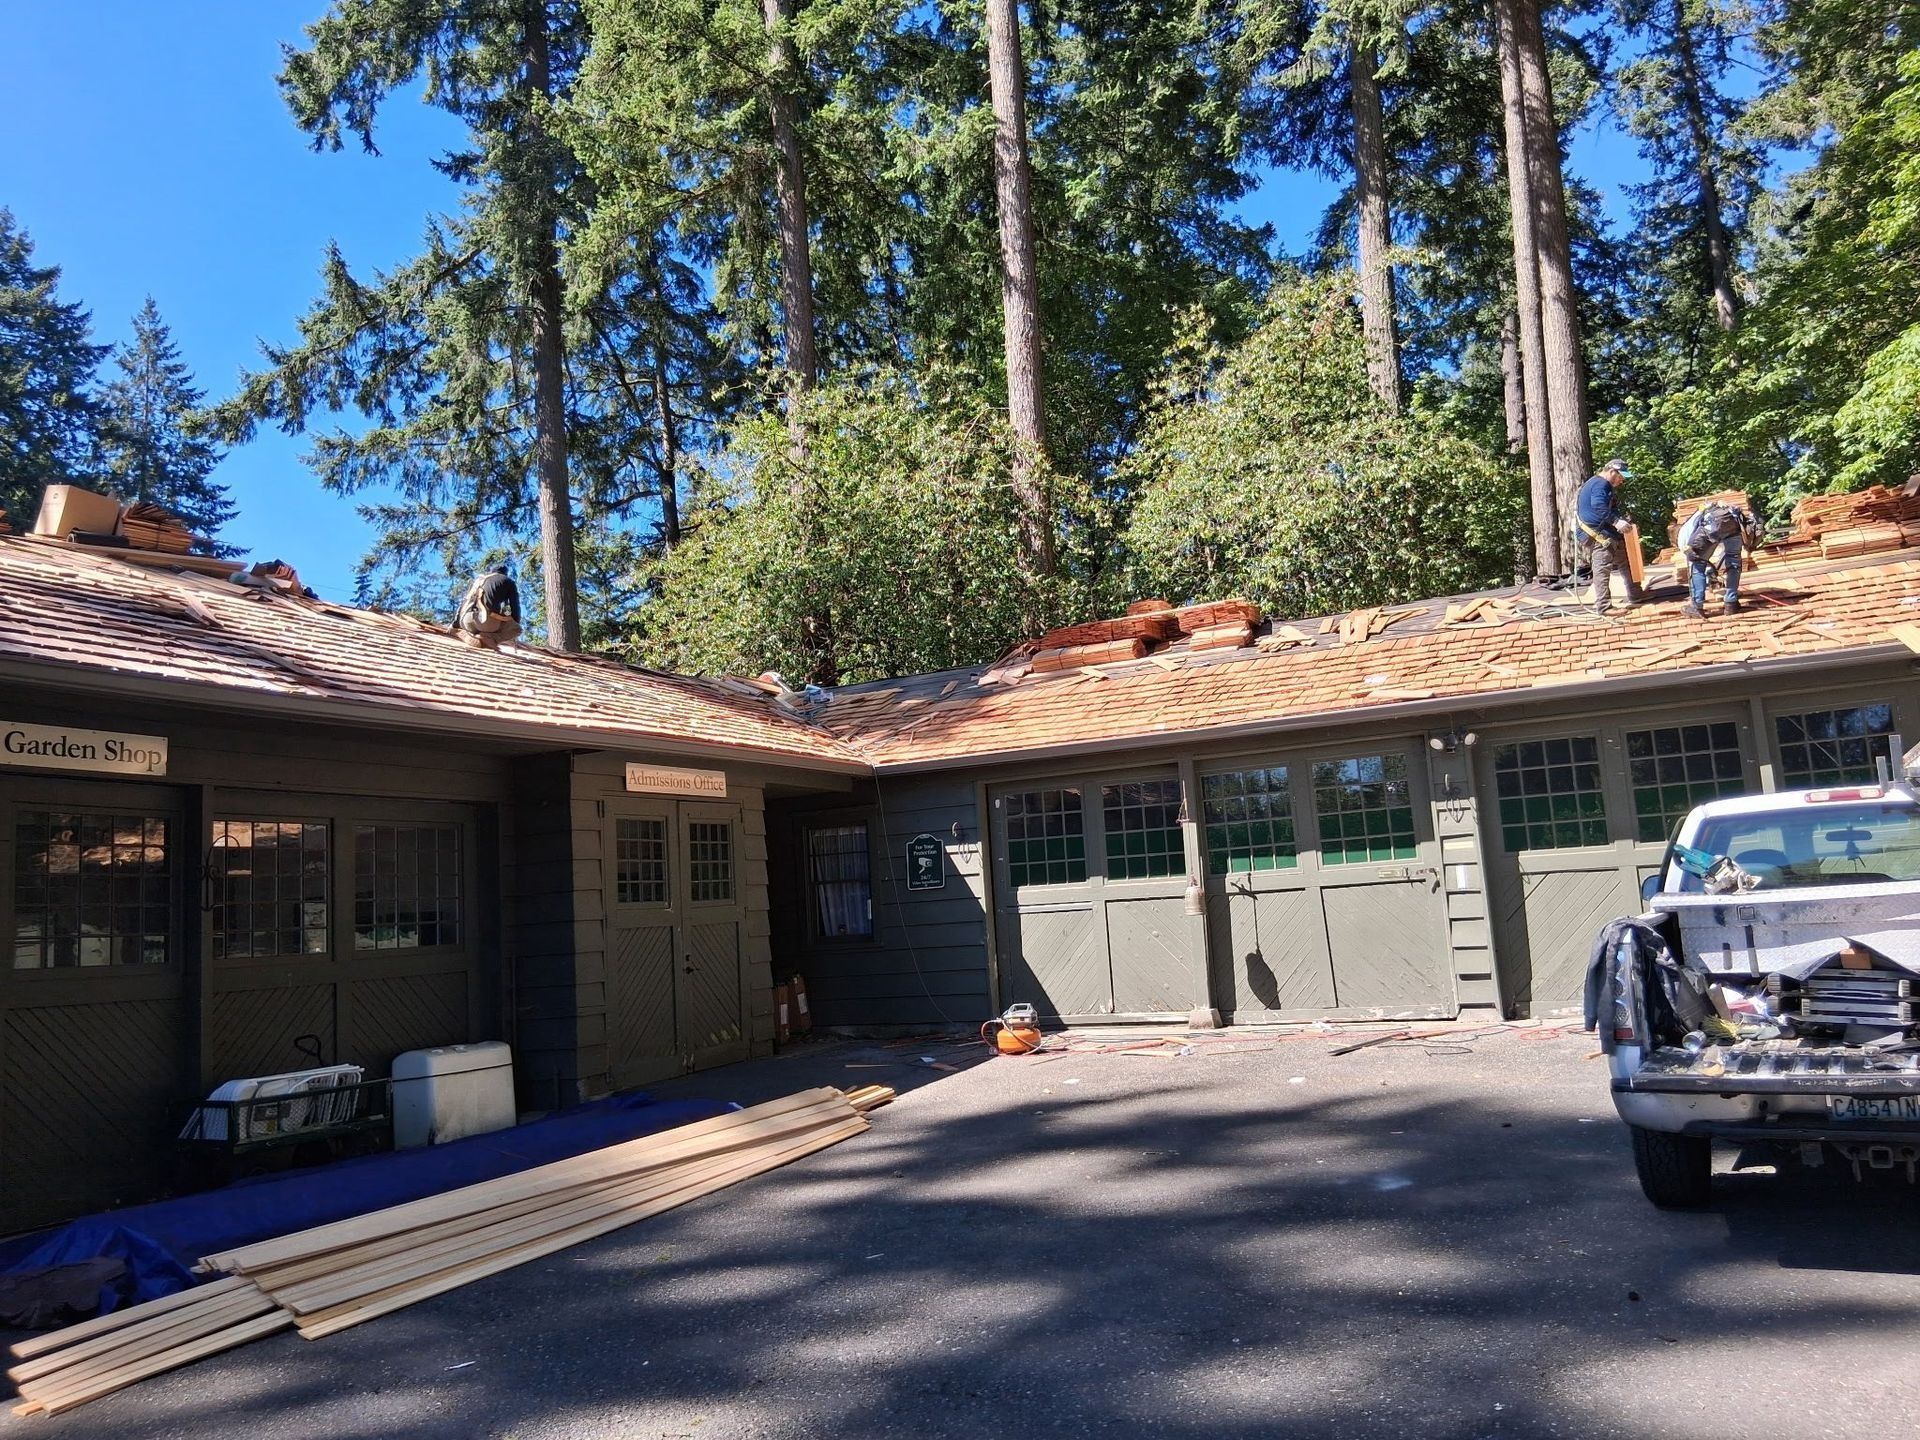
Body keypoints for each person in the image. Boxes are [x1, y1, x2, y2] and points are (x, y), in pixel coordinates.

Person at [1574, 458, 1643, 615]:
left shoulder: (1602, 485)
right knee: (1602, 568)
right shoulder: (1600, 484)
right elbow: (1598, 506)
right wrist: (1616, 522)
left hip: (1605, 532)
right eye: (1620, 476)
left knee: (1625, 560)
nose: (1622, 480)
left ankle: (1636, 594)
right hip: (1598, 535)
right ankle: (1604, 606)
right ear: (1612, 471)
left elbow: (1610, 509)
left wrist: (1623, 521)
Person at [1676, 501, 1756, 619]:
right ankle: (1731, 603)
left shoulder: (1683, 534)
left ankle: (1696, 606)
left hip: (1712, 525)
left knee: (1697, 565)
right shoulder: (1697, 517)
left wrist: (1700, 560)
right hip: (1733, 523)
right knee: (1734, 561)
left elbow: (1691, 554)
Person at [457, 564, 523, 645]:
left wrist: (456, 625)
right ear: (505, 573)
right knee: (517, 629)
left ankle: (471, 634)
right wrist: (515, 622)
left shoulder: (479, 581)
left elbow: (464, 602)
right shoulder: (507, 581)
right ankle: (486, 637)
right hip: (485, 623)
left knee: (482, 622)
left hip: (466, 621)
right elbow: (514, 605)